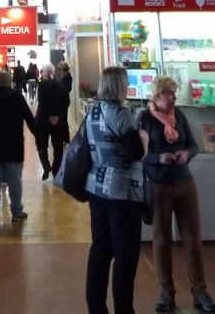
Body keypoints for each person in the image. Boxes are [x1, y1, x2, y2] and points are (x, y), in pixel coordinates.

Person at [140, 76, 215, 314]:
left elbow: (193, 144)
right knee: (162, 239)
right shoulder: (144, 119)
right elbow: (139, 153)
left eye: (174, 93)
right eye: (170, 94)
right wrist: (158, 158)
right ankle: (166, 292)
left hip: (185, 183)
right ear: (157, 96)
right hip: (159, 185)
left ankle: (200, 291)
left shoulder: (179, 116)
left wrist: (187, 154)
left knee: (192, 238)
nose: (174, 98)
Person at [84, 67, 148, 314]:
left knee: (100, 250)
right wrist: (144, 139)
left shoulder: (92, 111)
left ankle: (96, 308)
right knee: (125, 254)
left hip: (96, 188)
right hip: (123, 193)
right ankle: (124, 309)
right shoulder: (123, 115)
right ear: (119, 86)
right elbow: (137, 153)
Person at [0, 69, 36, 226]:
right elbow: (29, 118)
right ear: (10, 82)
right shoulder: (17, 98)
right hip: (14, 146)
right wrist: (39, 137)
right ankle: (17, 212)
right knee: (15, 181)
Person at [35, 62, 69, 180]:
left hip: (43, 121)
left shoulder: (42, 86)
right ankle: (56, 170)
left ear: (47, 72)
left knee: (41, 145)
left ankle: (46, 166)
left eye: (43, 71)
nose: (41, 73)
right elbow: (66, 102)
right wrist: (58, 116)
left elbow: (42, 102)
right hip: (58, 122)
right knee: (58, 148)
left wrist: (49, 116)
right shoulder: (61, 86)